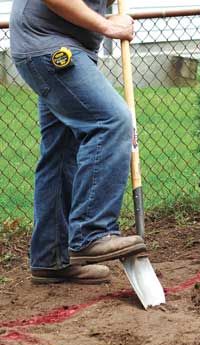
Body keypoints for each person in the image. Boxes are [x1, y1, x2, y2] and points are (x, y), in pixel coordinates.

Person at [10, 0, 147, 284]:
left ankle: (51, 258)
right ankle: (90, 233)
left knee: (60, 154)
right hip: (50, 45)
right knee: (110, 121)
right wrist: (109, 26)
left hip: (56, 46)